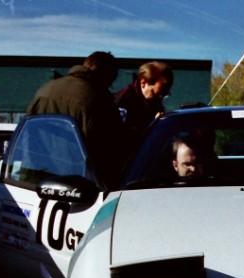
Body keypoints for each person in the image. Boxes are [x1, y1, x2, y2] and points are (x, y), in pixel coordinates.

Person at [27, 51, 126, 189]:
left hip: (38, 179)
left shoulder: (45, 90)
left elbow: (28, 137)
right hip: (79, 185)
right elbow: (111, 150)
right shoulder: (99, 99)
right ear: (107, 76)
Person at [114, 61, 173, 149]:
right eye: (157, 94)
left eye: (164, 94)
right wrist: (153, 125)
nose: (160, 99)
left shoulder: (153, 101)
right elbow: (118, 138)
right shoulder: (123, 101)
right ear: (143, 83)